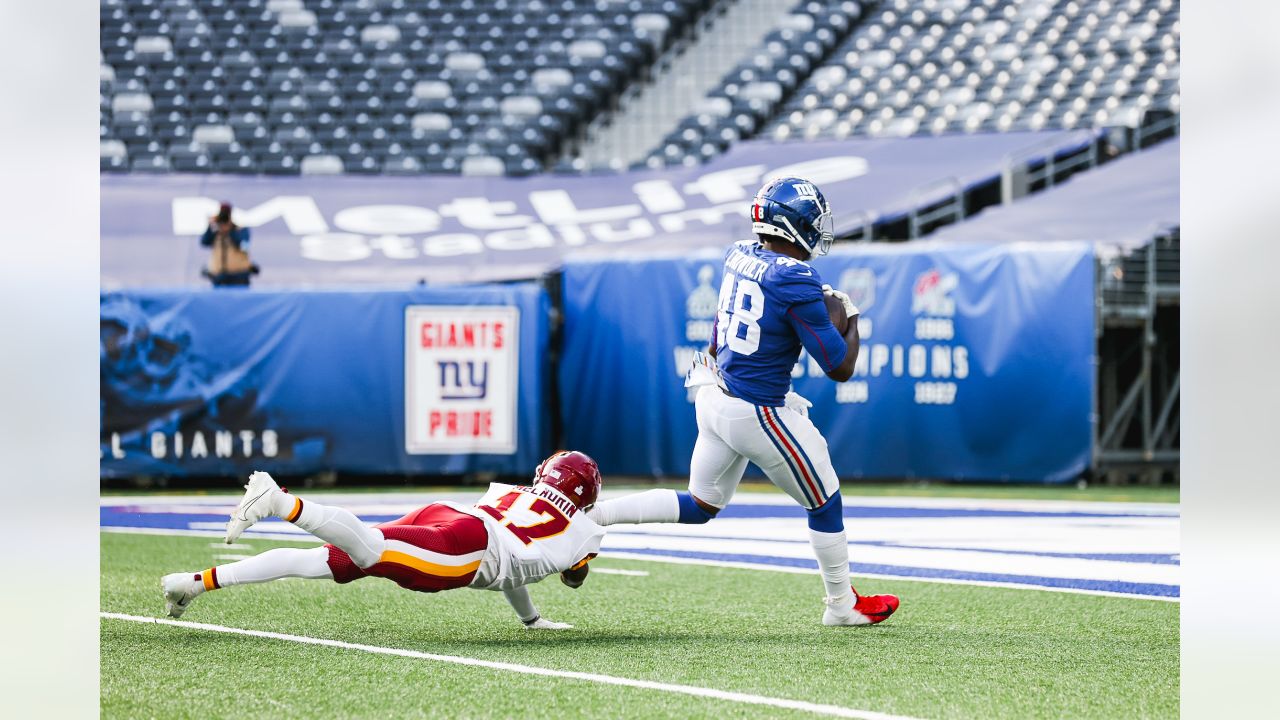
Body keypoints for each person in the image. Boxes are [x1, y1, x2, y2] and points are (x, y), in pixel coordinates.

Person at [587, 177, 899, 627]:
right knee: (825, 503)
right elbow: (838, 365)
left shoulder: (740, 254)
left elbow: (722, 329)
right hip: (756, 409)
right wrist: (853, 318)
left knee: (699, 505)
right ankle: (841, 606)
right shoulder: (796, 277)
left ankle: (594, 516)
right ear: (793, 226)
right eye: (812, 221)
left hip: (715, 394)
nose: (818, 229)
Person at [161, 451, 606, 629]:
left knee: (321, 560)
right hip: (467, 548)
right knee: (369, 548)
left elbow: (514, 564)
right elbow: (573, 577)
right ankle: (280, 503)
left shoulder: (515, 493)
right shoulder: (583, 530)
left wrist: (531, 620)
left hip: (450, 516)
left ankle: (195, 583)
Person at [200, 202, 258, 287]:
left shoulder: (241, 229)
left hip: (240, 276)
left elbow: (244, 246)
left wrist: (231, 230)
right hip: (219, 276)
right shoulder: (216, 231)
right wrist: (210, 227)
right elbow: (204, 242)